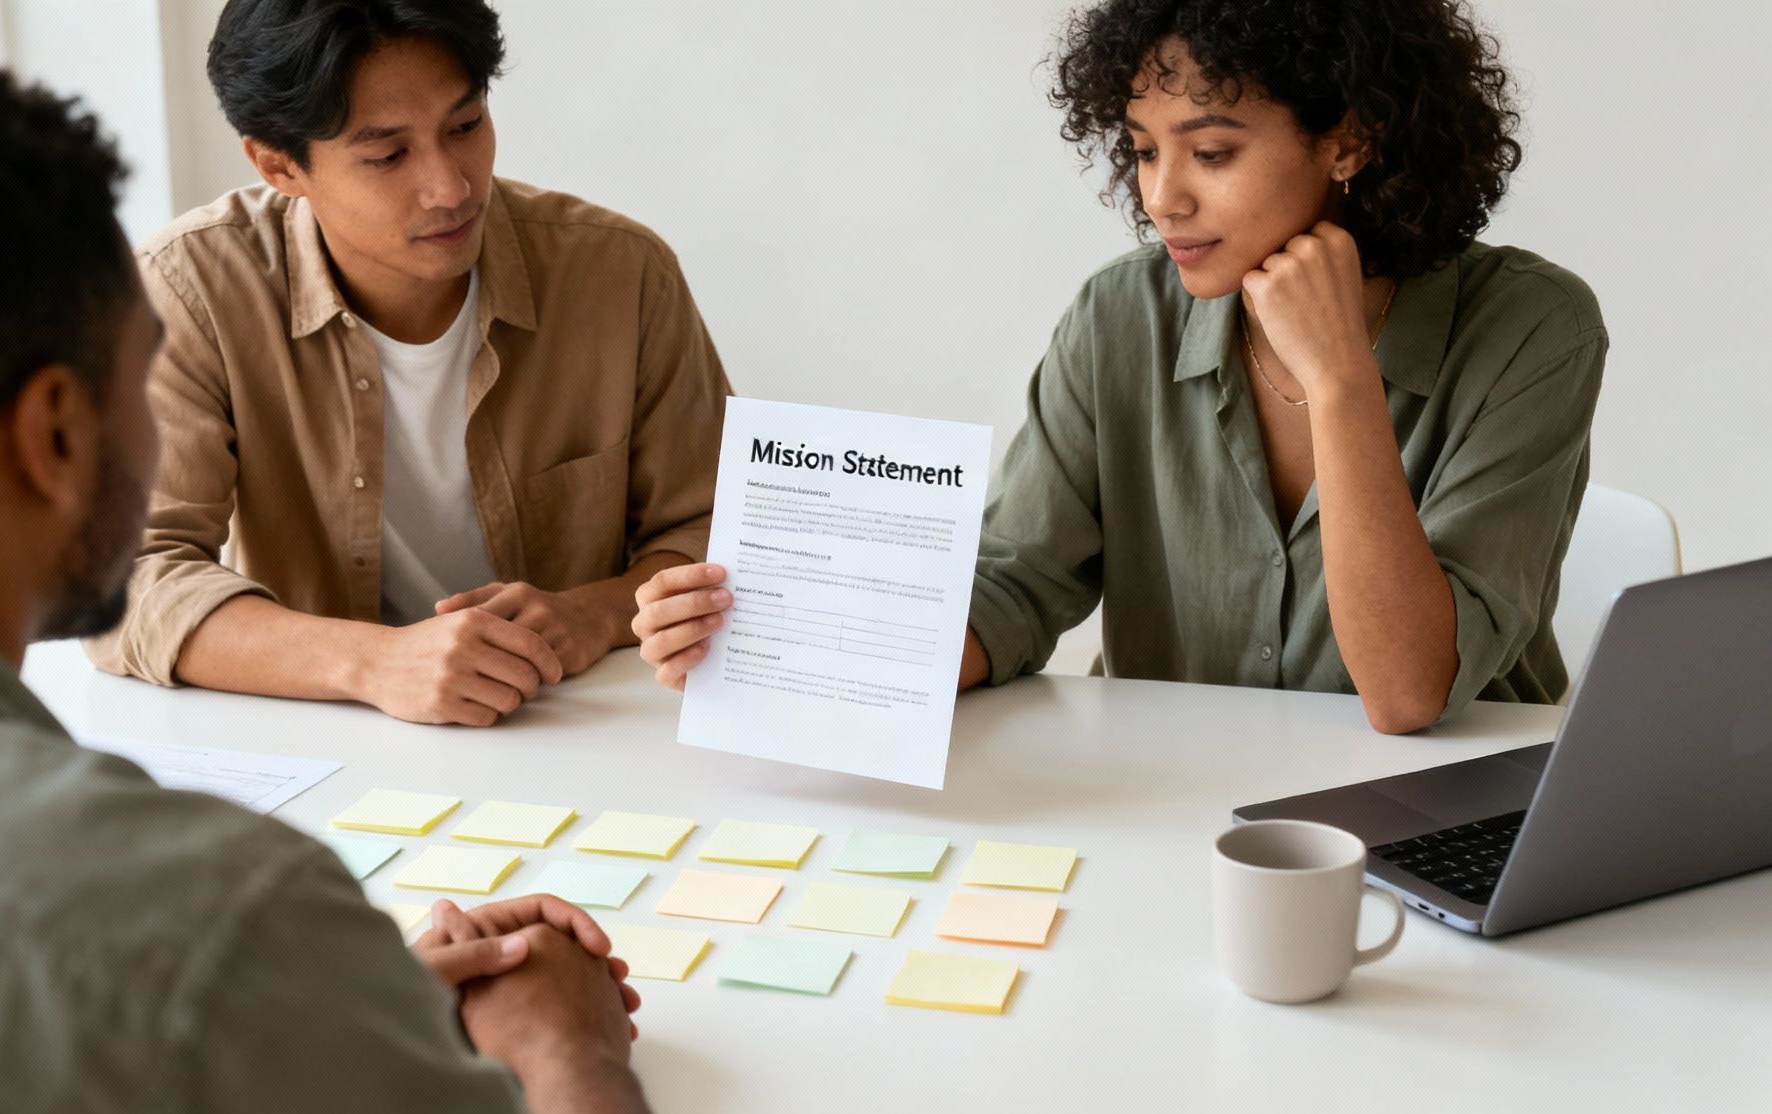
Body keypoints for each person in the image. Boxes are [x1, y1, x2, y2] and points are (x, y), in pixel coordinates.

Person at [0, 61, 680, 1114]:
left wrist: (310, 1009)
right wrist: (565, 1045)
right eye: (140, 376)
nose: (446, 182)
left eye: (464, 125)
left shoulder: (204, 944)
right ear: (53, 434)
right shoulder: (208, 916)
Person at [633, 0, 1606, 734]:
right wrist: (788, 643)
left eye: (1211, 152)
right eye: (1141, 152)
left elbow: (1405, 694)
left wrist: (1340, 382)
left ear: (1346, 140)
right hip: (1163, 803)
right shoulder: (1119, 315)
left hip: (1441, 809)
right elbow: (1015, 585)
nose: (1161, 198)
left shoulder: (1530, 327)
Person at [85, 0, 730, 728]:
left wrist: (593, 613)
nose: (451, 187)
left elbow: (714, 526)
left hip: (588, 722)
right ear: (277, 164)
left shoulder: (619, 273)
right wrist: (373, 662)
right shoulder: (191, 290)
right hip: (332, 734)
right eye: (387, 155)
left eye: (466, 126)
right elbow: (123, 579)